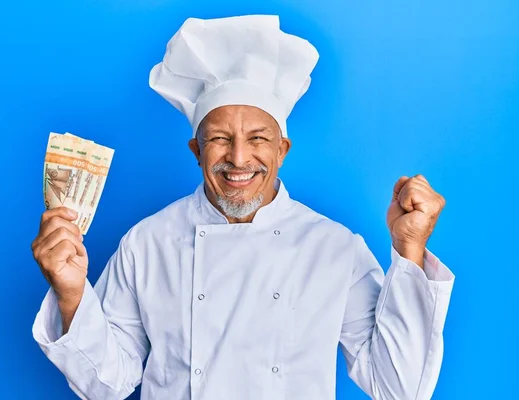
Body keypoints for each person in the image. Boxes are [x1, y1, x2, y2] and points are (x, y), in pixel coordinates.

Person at [31, 15, 455, 400]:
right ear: (196, 150)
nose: (238, 158)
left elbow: (399, 387)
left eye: (257, 138)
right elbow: (107, 384)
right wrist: (71, 295)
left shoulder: (334, 248)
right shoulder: (147, 243)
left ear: (282, 149)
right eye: (218, 139)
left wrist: (410, 249)